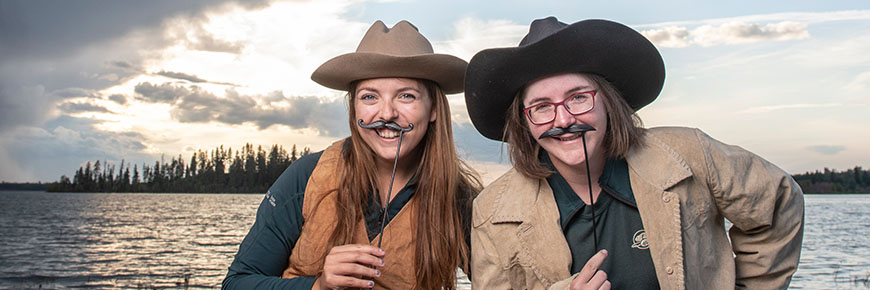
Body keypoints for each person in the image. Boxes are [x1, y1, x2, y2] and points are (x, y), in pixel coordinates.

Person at [464, 17, 804, 290]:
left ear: (608, 102)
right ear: (524, 122)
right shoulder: (492, 212)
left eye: (579, 97)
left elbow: (777, 203)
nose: (564, 119)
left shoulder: (690, 154)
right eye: (541, 107)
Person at [222, 20, 480, 290]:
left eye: (406, 96)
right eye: (370, 97)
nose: (387, 114)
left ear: (434, 110)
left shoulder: (457, 198)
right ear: (354, 108)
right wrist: (318, 286)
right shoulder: (307, 178)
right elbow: (236, 284)